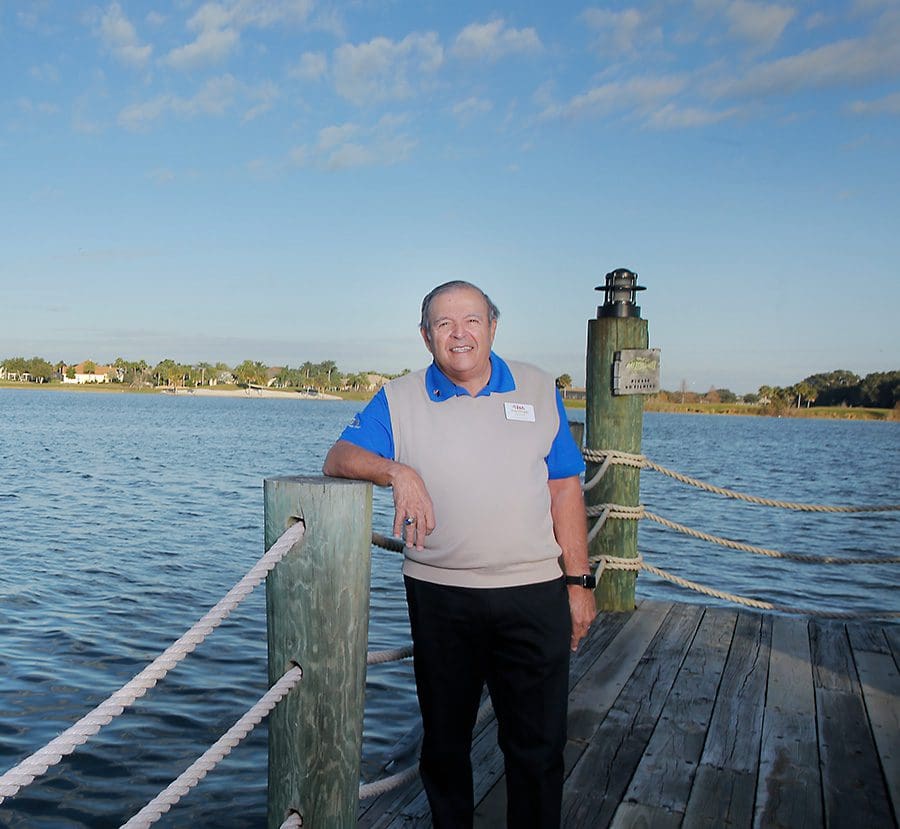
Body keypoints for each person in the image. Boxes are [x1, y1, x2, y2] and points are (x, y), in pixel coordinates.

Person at [323, 280, 596, 828]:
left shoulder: (540, 388)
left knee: (538, 747)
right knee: (445, 746)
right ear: (426, 337)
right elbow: (339, 456)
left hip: (533, 593)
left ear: (493, 326)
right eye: (444, 323)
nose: (459, 334)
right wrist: (397, 471)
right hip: (441, 598)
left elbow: (564, 487)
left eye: (472, 320)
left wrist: (579, 583)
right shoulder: (399, 398)